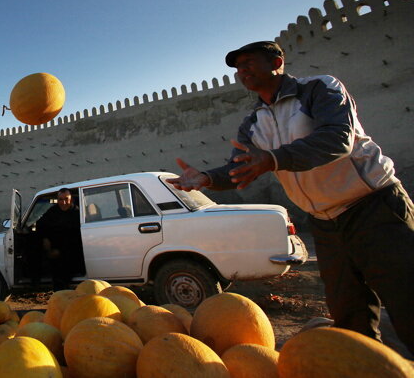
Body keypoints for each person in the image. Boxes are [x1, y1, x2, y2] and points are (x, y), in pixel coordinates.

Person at [167, 40, 414, 353]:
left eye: (249, 63)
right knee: (349, 314)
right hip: (325, 223)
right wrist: (205, 178)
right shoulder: (253, 123)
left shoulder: (318, 89)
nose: (243, 71)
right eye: (238, 68)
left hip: (373, 207)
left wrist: (273, 159)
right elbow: (239, 168)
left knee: (407, 301)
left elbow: (337, 139)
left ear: (277, 62)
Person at [36, 188, 84, 290]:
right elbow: (40, 224)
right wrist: (45, 239)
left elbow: (76, 239)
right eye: (60, 199)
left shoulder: (77, 213)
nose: (63, 202)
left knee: (61, 272)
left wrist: (59, 251)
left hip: (71, 252)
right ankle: (34, 280)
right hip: (54, 248)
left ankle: (62, 295)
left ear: (71, 200)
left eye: (66, 199)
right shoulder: (53, 211)